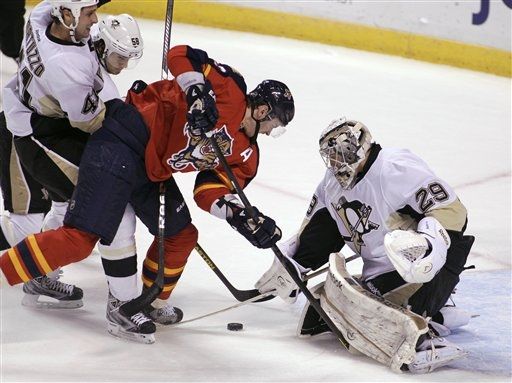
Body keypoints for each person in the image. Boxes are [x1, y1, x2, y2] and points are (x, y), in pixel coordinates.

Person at [0, 44, 294, 343]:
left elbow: (209, 190)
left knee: (182, 235)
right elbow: (180, 54)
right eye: (274, 124)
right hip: (125, 138)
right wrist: (195, 91)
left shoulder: (246, 154)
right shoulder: (229, 89)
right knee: (80, 240)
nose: (271, 131)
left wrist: (239, 215)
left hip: (153, 171)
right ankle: (7, 269)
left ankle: (147, 302)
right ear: (262, 110)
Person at [255, 117, 475, 373]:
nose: (336, 162)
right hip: (378, 276)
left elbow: (453, 211)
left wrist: (431, 245)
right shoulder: (330, 185)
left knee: (449, 245)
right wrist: (293, 262)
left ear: (360, 145)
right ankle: (435, 311)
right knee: (336, 300)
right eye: (331, 156)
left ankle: (428, 317)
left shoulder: (395, 167)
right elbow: (318, 228)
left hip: (414, 267)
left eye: (342, 152)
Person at [1, 0, 152, 342]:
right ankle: (123, 306)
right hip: (39, 135)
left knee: (62, 204)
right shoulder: (66, 65)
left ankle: (40, 274)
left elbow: (61, 11)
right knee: (113, 206)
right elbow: (89, 120)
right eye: (88, 15)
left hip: (35, 119)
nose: (94, 19)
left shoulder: (41, 18)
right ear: (66, 16)